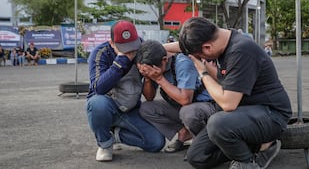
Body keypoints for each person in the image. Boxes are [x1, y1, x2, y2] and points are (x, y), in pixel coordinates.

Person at [177, 17, 292, 169]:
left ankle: (247, 162)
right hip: (243, 115)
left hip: (271, 115)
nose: (202, 60)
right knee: (197, 157)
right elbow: (180, 47)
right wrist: (158, 48)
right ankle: (257, 147)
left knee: (217, 124)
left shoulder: (241, 50)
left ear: (207, 48)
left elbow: (228, 103)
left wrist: (203, 72)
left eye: (201, 57)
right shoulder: (224, 38)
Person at [86, 20, 165, 162]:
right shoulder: (100, 53)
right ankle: (105, 144)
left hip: (131, 109)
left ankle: (115, 135)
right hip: (108, 105)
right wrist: (121, 61)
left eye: (133, 46)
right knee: (97, 104)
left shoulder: (143, 50)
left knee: (156, 142)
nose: (130, 51)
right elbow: (98, 88)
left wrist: (148, 79)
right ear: (111, 43)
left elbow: (149, 97)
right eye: (124, 48)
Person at [135, 40, 219, 154]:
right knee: (146, 108)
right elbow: (149, 98)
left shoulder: (183, 62)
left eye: (148, 70)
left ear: (164, 60)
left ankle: (205, 141)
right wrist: (148, 78)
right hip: (180, 107)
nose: (144, 72)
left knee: (188, 112)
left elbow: (186, 100)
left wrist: (159, 79)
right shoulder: (152, 66)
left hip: (207, 106)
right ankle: (184, 132)